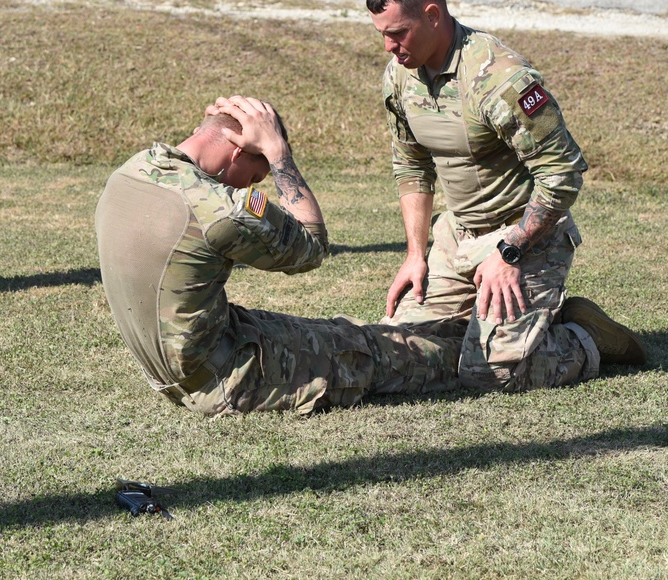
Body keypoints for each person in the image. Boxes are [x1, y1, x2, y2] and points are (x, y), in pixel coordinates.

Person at [365, 0, 645, 393]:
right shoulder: (400, 77)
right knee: (400, 347)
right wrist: (416, 254)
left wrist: (510, 250)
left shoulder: (500, 77)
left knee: (492, 373)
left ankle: (585, 336)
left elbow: (562, 171)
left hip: (523, 239)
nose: (388, 47)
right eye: (382, 35)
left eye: (397, 34)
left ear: (433, 16)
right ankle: (485, 325)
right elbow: (411, 165)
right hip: (456, 237)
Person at [95, 95, 467, 416]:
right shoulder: (222, 208)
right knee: (371, 354)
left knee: (344, 333)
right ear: (238, 151)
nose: (252, 186)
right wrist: (278, 153)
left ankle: (449, 329)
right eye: (256, 177)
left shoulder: (132, 170)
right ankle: (486, 358)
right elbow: (312, 245)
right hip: (228, 379)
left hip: (185, 361)